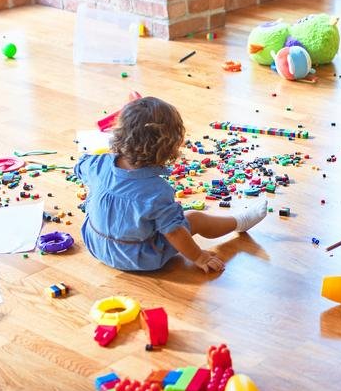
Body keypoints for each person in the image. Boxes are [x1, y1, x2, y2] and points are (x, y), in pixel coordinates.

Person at [74, 96, 267, 273]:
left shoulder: (96, 164)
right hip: (139, 257)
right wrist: (199, 256)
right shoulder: (157, 191)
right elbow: (174, 233)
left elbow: (79, 168)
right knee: (194, 218)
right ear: (168, 148)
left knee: (153, 216)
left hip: (97, 245)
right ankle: (239, 222)